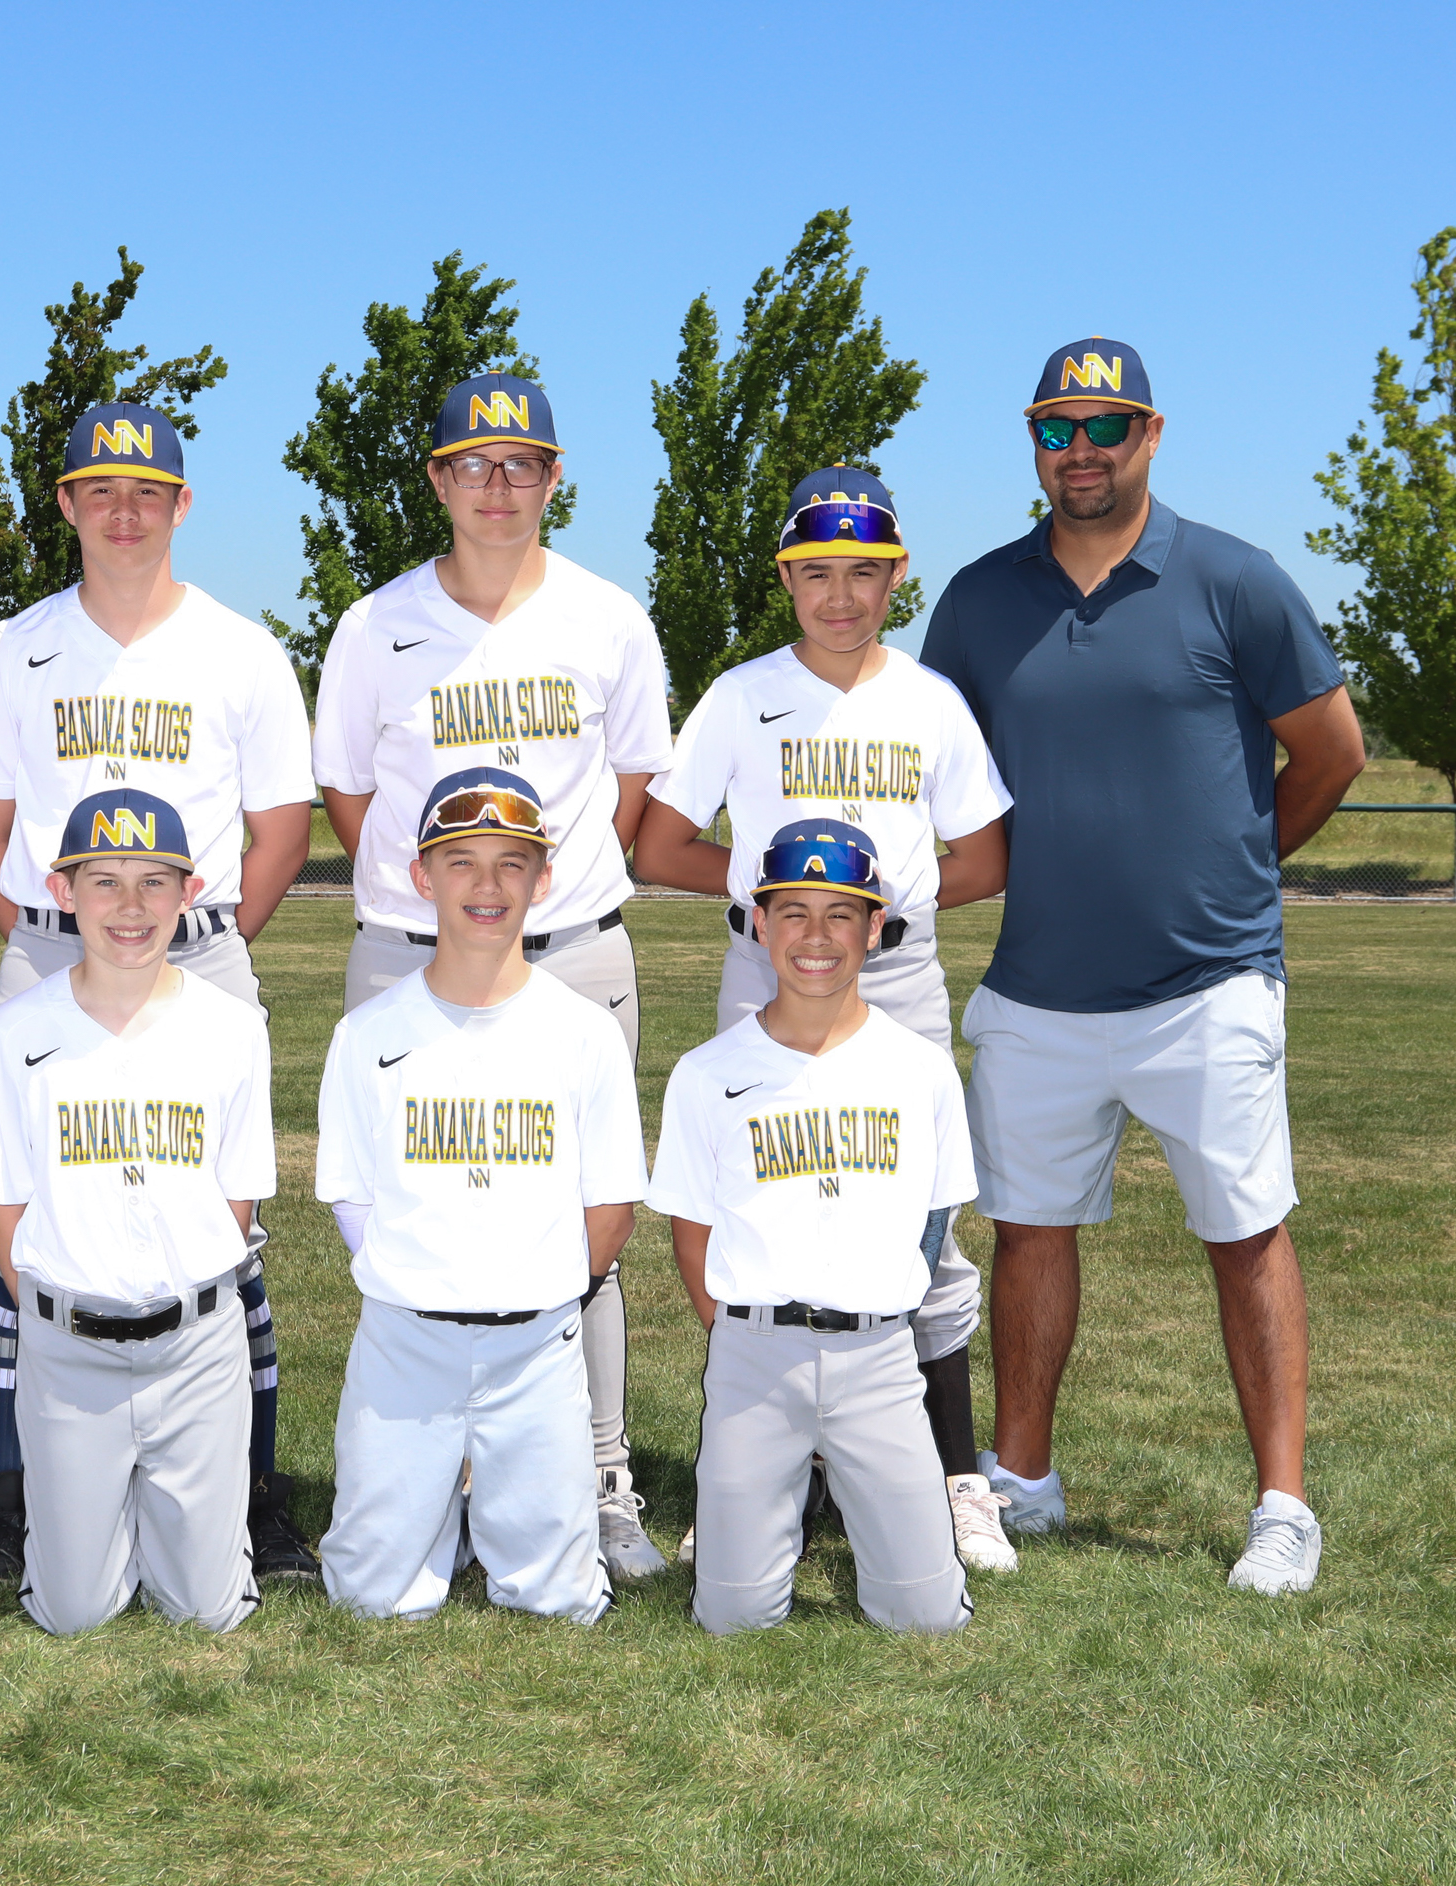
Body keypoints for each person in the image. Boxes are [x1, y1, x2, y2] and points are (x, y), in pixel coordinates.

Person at [920, 338, 1367, 1594]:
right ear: (1032, 441)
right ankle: (1021, 1478)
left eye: (1104, 426)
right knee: (1027, 1233)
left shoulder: (1235, 579)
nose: (1080, 451)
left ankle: (1282, 1505)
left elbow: (1331, 752)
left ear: (1150, 435)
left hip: (1208, 982)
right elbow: (933, 769)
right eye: (1055, 429)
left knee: (1245, 1234)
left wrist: (1237, 864)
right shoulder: (978, 598)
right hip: (1036, 986)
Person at [0, 402, 317, 1590]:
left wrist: (203, 938)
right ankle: (15, 1497)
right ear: (64, 502)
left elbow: (280, 829)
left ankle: (250, 1491)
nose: (122, 509)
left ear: (181, 504)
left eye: (146, 490)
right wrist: (57, 939)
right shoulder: (14, 649)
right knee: (31, 1214)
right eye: (98, 488)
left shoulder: (240, 649)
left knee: (222, 1228)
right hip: (54, 941)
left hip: (196, 942)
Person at [311, 372, 676, 1581]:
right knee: (415, 1202)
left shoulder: (607, 617)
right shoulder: (375, 625)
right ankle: (429, 1477)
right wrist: (443, 903)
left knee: (582, 1217)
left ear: (554, 477)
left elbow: (627, 789)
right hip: (407, 946)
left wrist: (534, 897)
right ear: (436, 479)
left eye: (521, 463)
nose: (497, 485)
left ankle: (596, 1475)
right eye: (471, 463)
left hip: (569, 945)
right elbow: (349, 791)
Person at [634, 468, 1018, 1574]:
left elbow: (983, 855)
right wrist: (780, 907)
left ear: (897, 579)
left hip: (895, 980)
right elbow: (659, 844)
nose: (839, 596)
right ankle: (761, 1467)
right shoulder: (740, 694)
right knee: (754, 1211)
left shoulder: (930, 701)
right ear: (785, 579)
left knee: (922, 1232)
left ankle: (954, 1476)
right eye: (816, 573)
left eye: (862, 572)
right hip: (765, 973)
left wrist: (880, 914)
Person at [314, 769, 648, 1624]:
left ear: (544, 878)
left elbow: (610, 1208)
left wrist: (531, 1292)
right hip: (405, 1338)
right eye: (460, 861)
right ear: (420, 876)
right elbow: (352, 1199)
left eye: (512, 863)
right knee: (370, 1597)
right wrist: (429, 1284)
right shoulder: (367, 1034)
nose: (487, 885)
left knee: (558, 1600)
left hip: (536, 1344)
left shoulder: (584, 1033)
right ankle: (438, 1504)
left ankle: (485, 1500)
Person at [648, 821, 975, 1635]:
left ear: (875, 926)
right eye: (793, 913)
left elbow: (933, 1221)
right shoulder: (708, 1073)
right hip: (755, 1360)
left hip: (879, 1358)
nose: (816, 937)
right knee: (733, 1617)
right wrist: (744, 1338)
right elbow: (693, 1233)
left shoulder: (921, 1069)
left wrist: (878, 1315)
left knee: (925, 1617)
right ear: (759, 924)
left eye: (841, 914)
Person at [0, 791, 274, 1635]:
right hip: (71, 1348)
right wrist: (60, 1316)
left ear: (191, 892)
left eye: (154, 882)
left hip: (195, 1347)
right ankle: (109, 1520)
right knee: (73, 1615)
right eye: (103, 881)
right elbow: (5, 1203)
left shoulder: (232, 1028)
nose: (130, 906)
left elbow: (235, 1202)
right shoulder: (16, 1031)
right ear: (61, 891)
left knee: (205, 1614)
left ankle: (165, 1527)